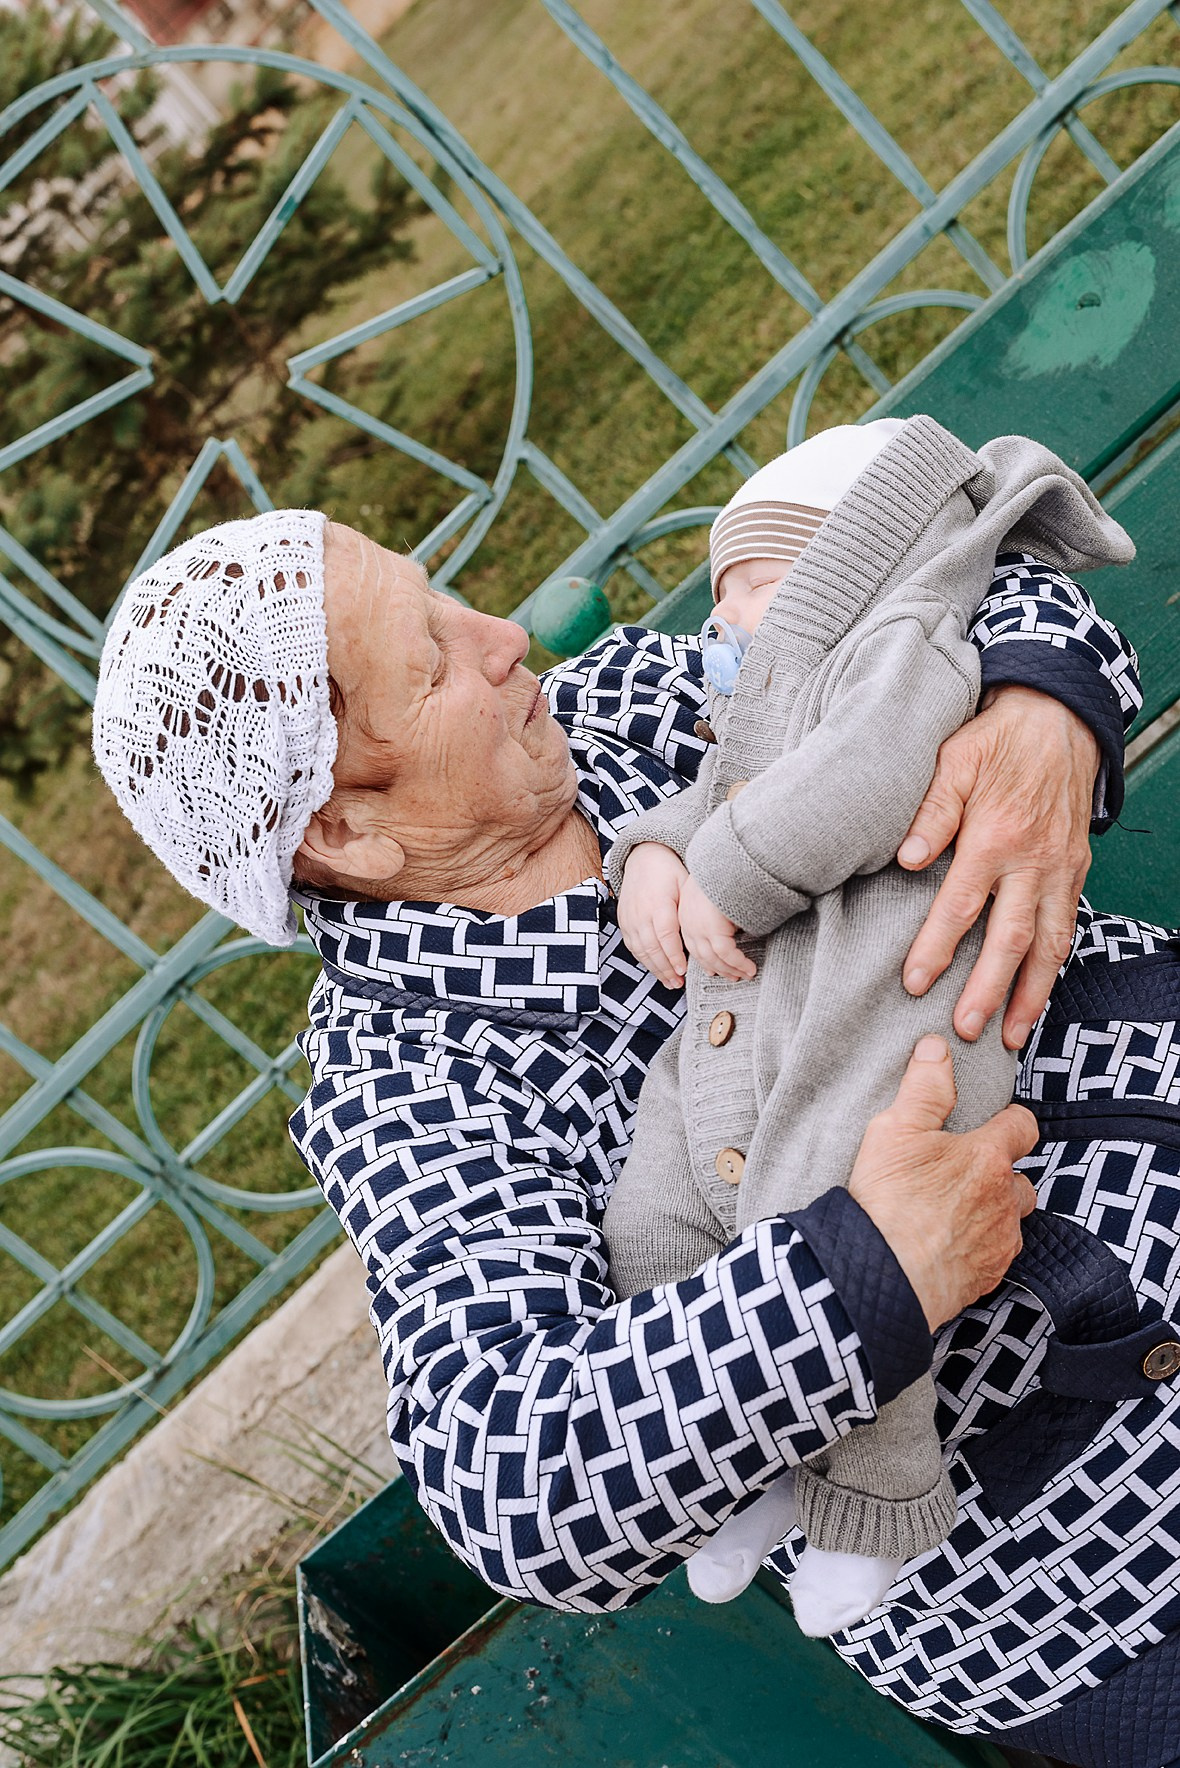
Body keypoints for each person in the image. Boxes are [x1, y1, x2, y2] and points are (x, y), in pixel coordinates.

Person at [90, 499, 1177, 1768]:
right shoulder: (414, 1090)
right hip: (1102, 1548)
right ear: (343, 831)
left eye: (441, 595)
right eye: (431, 662)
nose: (503, 634)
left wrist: (1039, 715)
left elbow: (956, 585)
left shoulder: (633, 708)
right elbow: (515, 1481)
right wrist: (867, 1273)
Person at [603, 415, 1134, 1637]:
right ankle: (740, 1484)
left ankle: (876, 1493)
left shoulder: (897, 645)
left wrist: (724, 871)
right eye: (719, 595)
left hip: (893, 1029)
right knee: (650, 1226)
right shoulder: (755, 706)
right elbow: (708, 793)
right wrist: (650, 857)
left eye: (752, 585)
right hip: (732, 1050)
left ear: (843, 575)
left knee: (838, 1222)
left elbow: (871, 771)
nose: (720, 622)